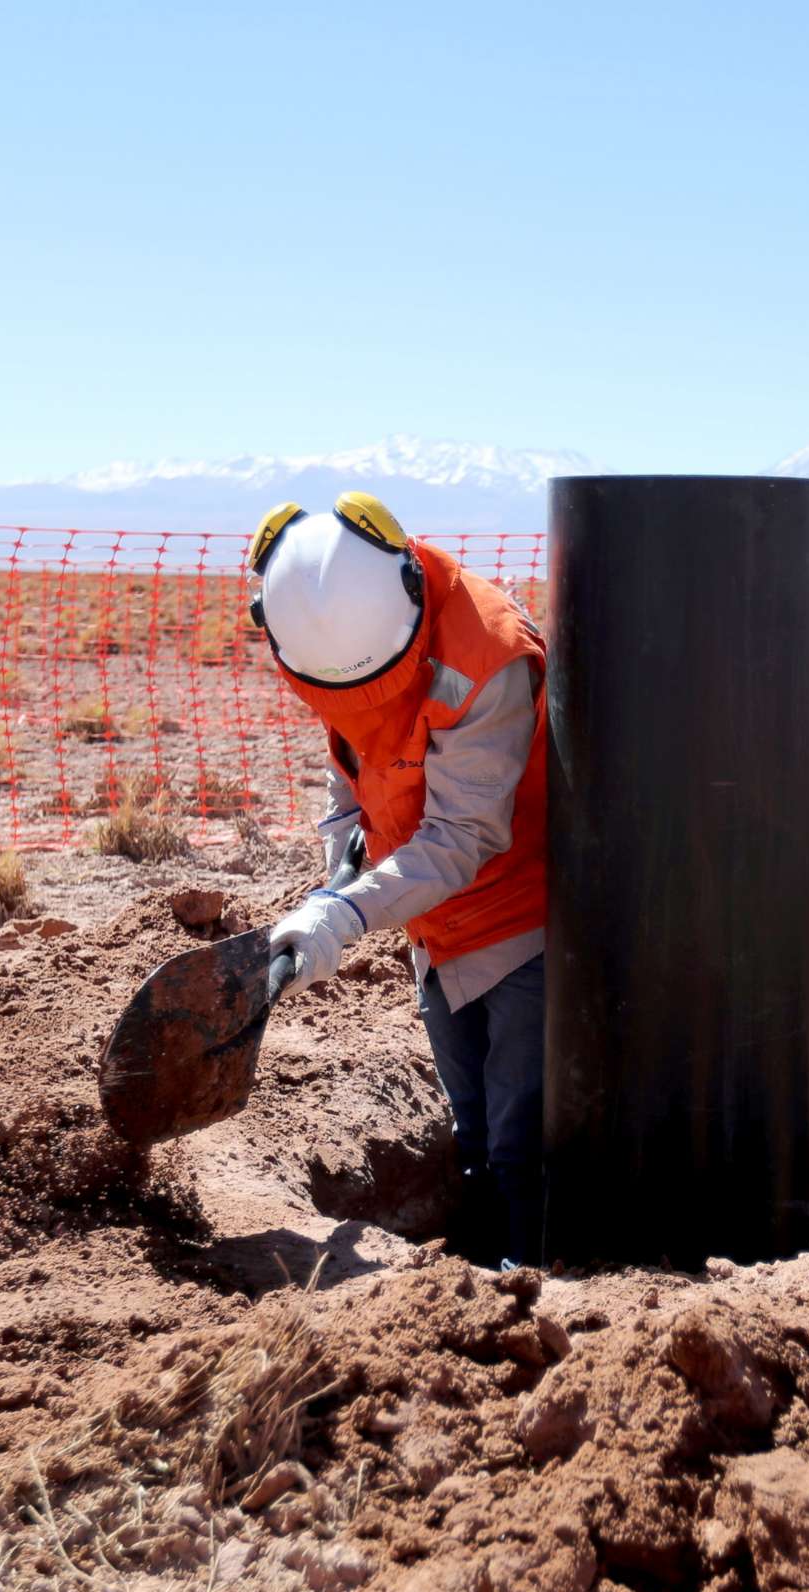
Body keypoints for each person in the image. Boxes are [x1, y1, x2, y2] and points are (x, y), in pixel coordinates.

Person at [253, 493, 549, 1267]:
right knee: (474, 1133)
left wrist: (345, 914)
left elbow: (460, 839)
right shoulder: (337, 636)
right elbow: (351, 762)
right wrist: (340, 865)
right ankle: (478, 1269)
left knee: (524, 1144)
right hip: (431, 923)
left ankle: (534, 1292)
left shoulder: (486, 657)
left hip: (522, 919)